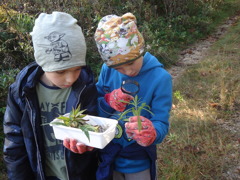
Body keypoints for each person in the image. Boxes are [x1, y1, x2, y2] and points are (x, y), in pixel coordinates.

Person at [3, 11, 98, 180]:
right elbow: (14, 143)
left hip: (79, 173)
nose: (70, 78)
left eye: (77, 69)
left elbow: (94, 126)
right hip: (41, 174)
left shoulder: (85, 87)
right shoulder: (22, 91)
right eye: (60, 71)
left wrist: (89, 145)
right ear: (43, 62)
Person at [94, 13, 172, 180]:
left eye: (130, 63)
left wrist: (152, 133)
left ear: (140, 50)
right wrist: (108, 102)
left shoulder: (160, 78)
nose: (128, 71)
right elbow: (96, 108)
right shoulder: (107, 71)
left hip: (139, 159)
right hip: (108, 155)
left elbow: (161, 122)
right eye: (119, 69)